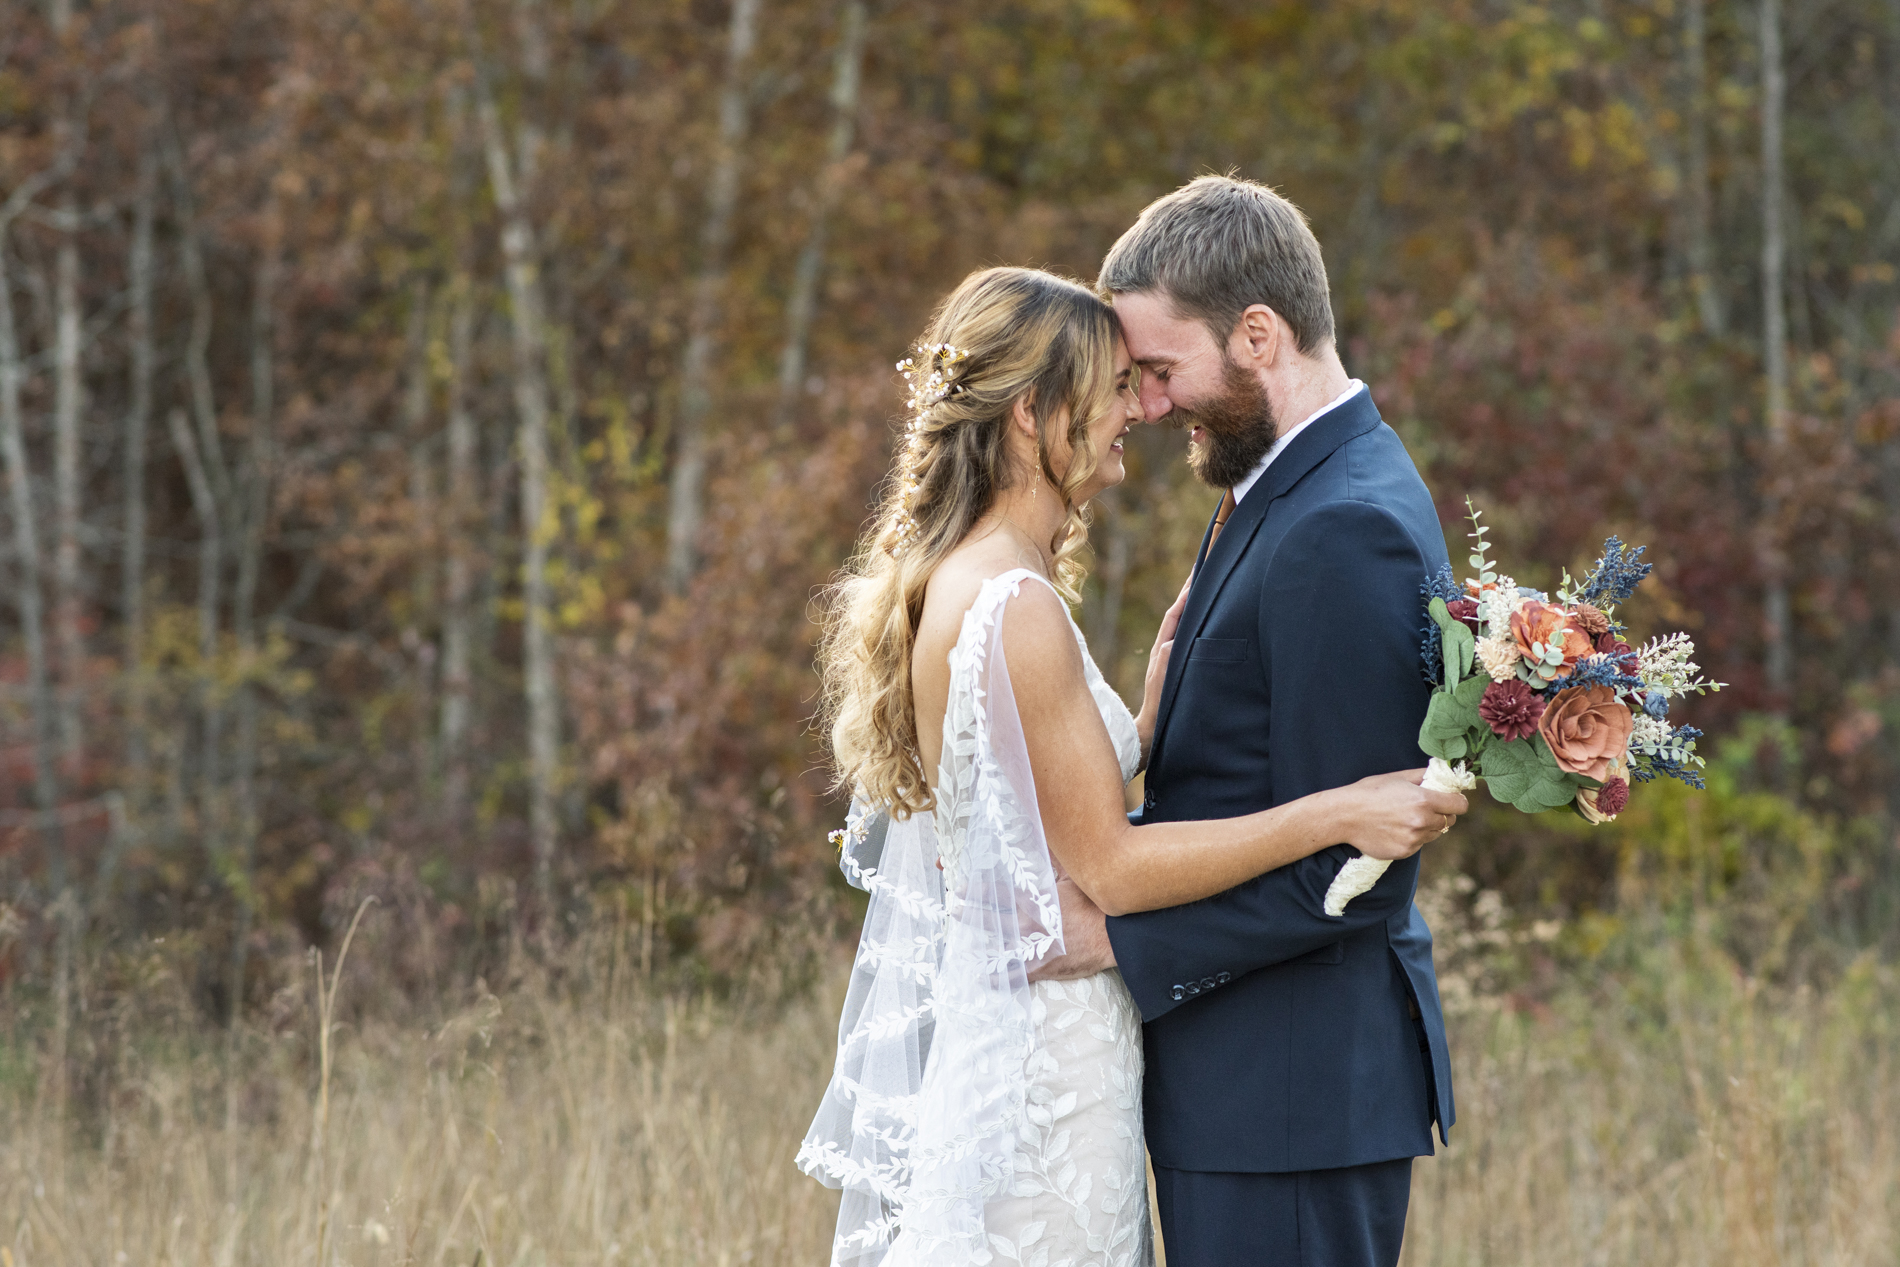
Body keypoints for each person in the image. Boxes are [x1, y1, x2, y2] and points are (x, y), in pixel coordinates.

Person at [799, 257, 1464, 1267]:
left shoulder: (965, 578)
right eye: (1115, 387)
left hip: (1032, 1047)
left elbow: (1022, 799)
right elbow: (1105, 870)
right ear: (1033, 413)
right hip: (1050, 1065)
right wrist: (1336, 811)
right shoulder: (1016, 606)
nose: (1136, 412)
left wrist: (1141, 728)